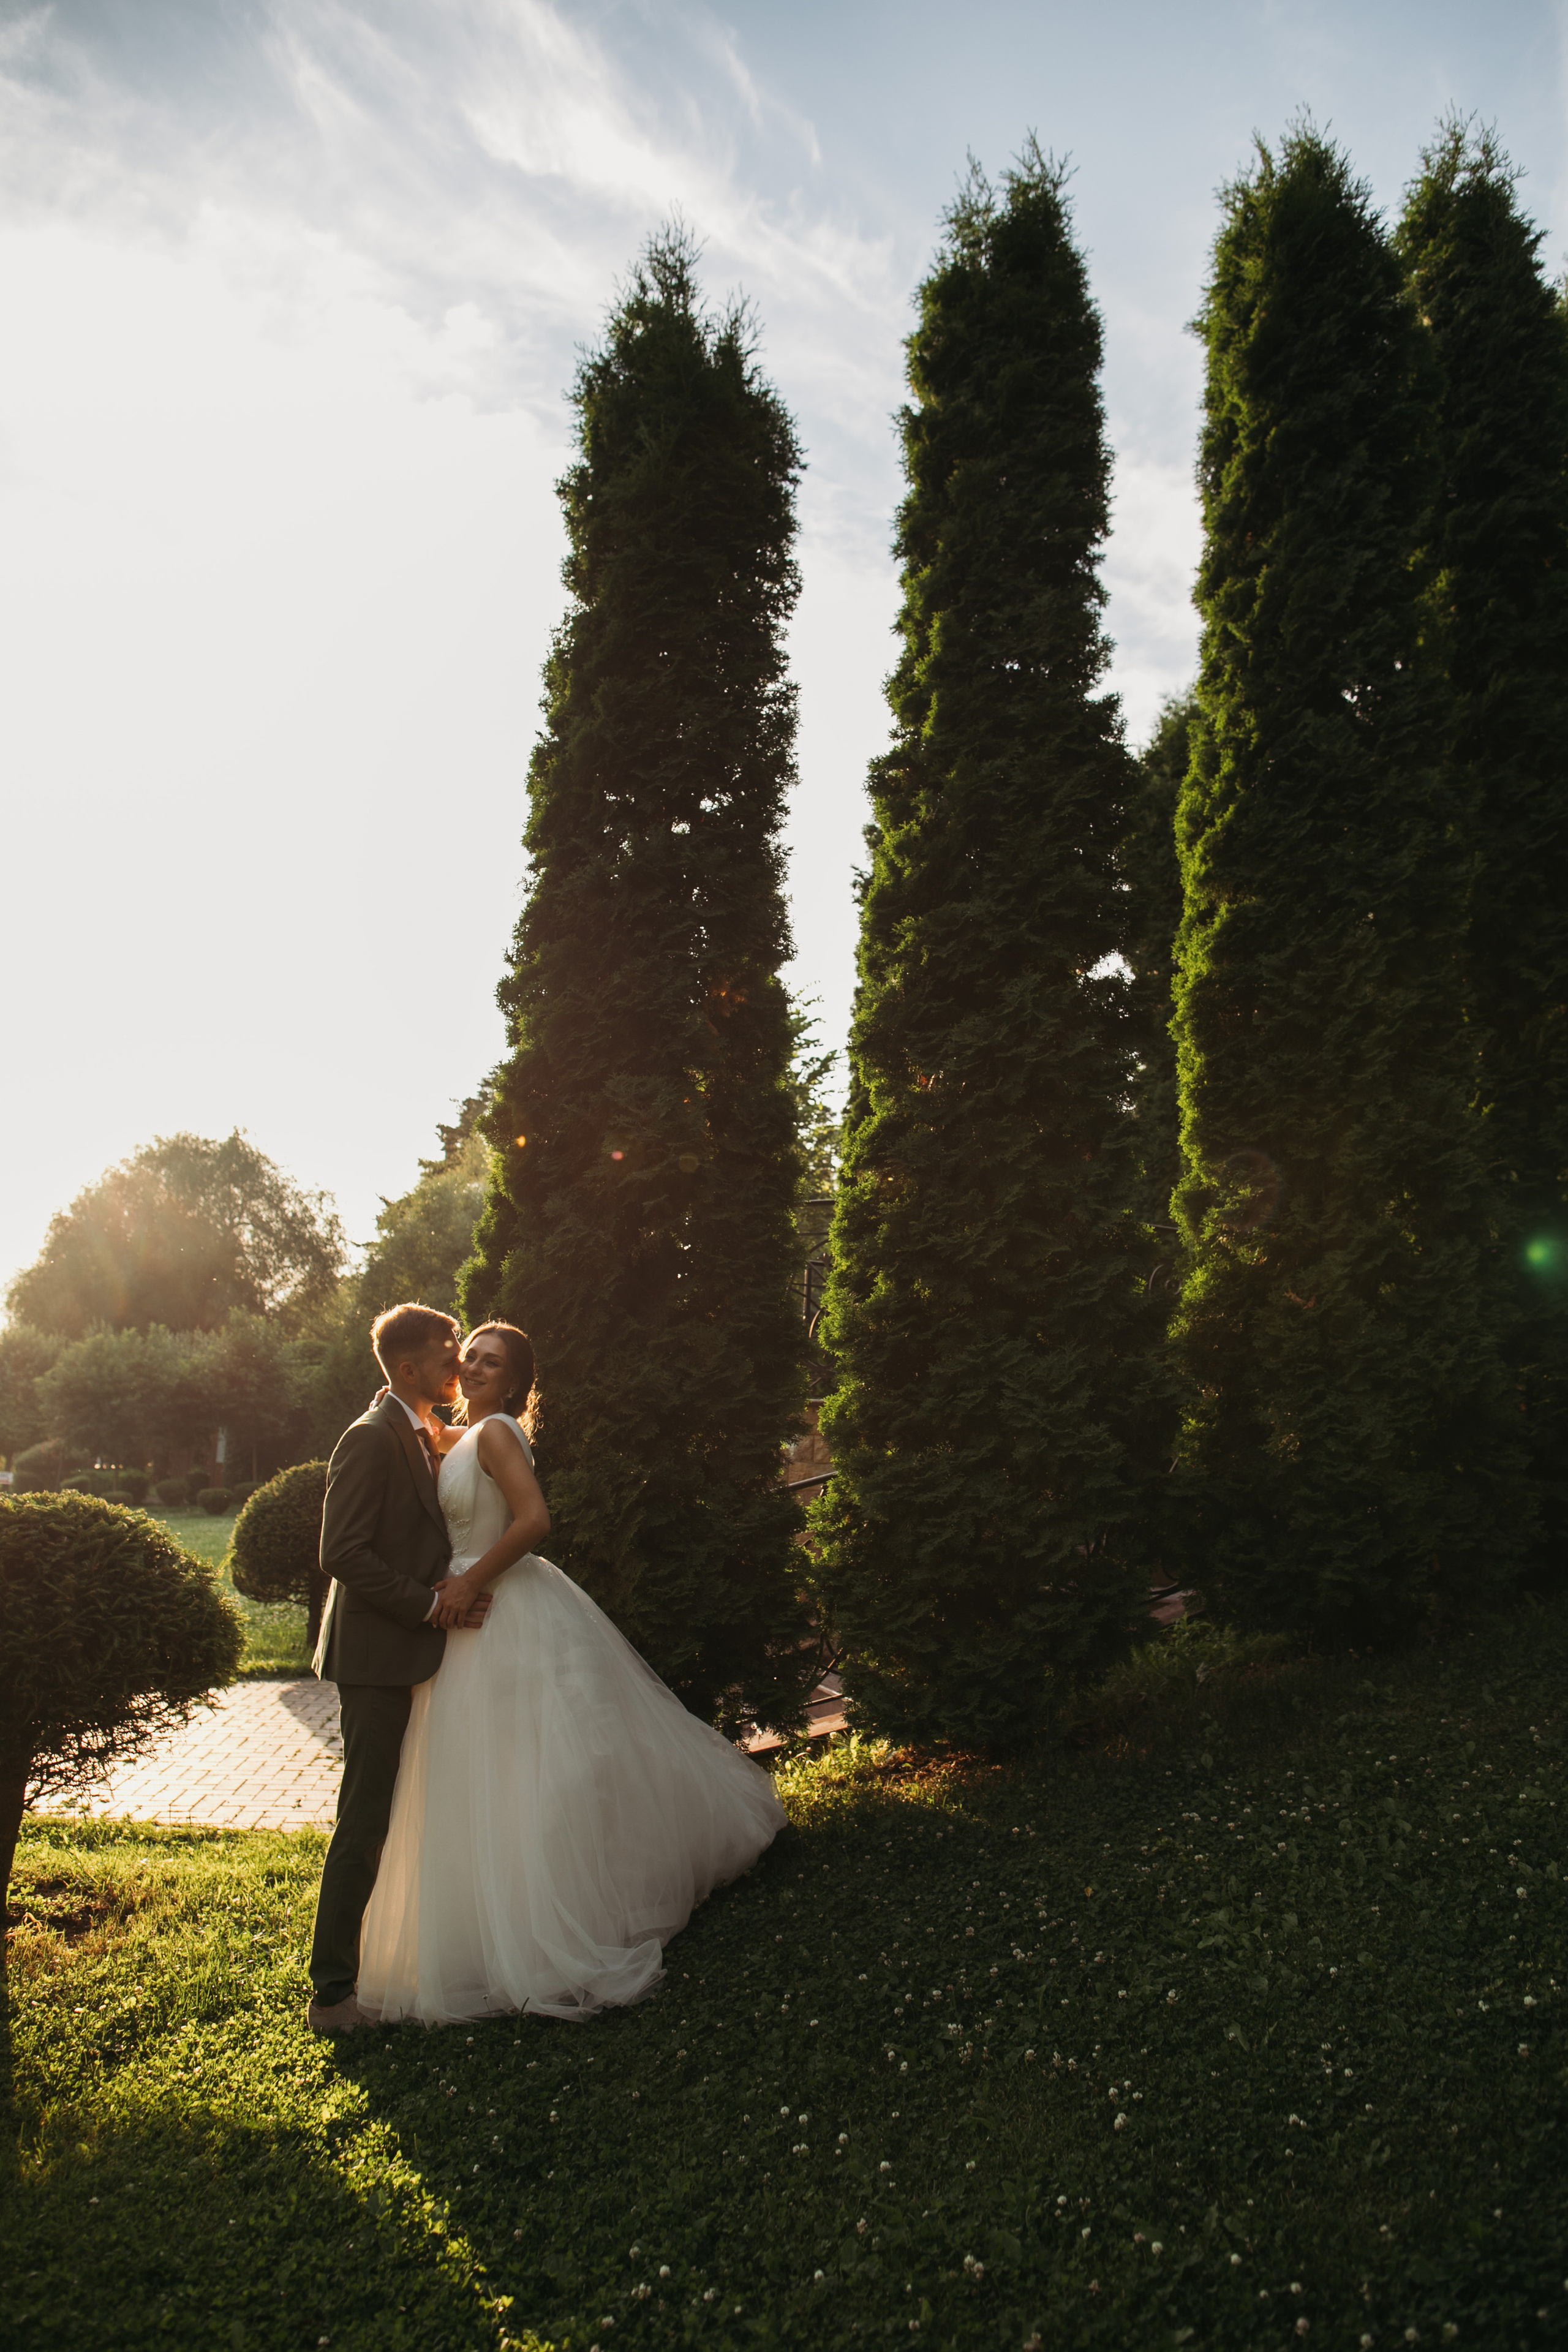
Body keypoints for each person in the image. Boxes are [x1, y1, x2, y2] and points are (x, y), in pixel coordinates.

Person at [354, 1319, 785, 2025]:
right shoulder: (465, 1435)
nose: (477, 1367)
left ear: (518, 1380)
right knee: (476, 1772)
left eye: (494, 1362)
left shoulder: (495, 1435)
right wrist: (405, 1408)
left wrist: (467, 1584)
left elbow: (533, 1521)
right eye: (471, 1358)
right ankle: (478, 1928)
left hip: (496, 1602)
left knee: (525, 1769)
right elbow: (424, 1436)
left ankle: (542, 1926)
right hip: (460, 1616)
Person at [306, 1302, 491, 2036]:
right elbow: (341, 1553)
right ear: (409, 1368)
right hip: (377, 1657)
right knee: (365, 1816)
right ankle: (331, 1993)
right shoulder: (370, 1438)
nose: (459, 1360)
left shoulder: (417, 1431)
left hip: (410, 1648)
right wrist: (428, 1605)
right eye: (450, 1350)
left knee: (397, 1807)